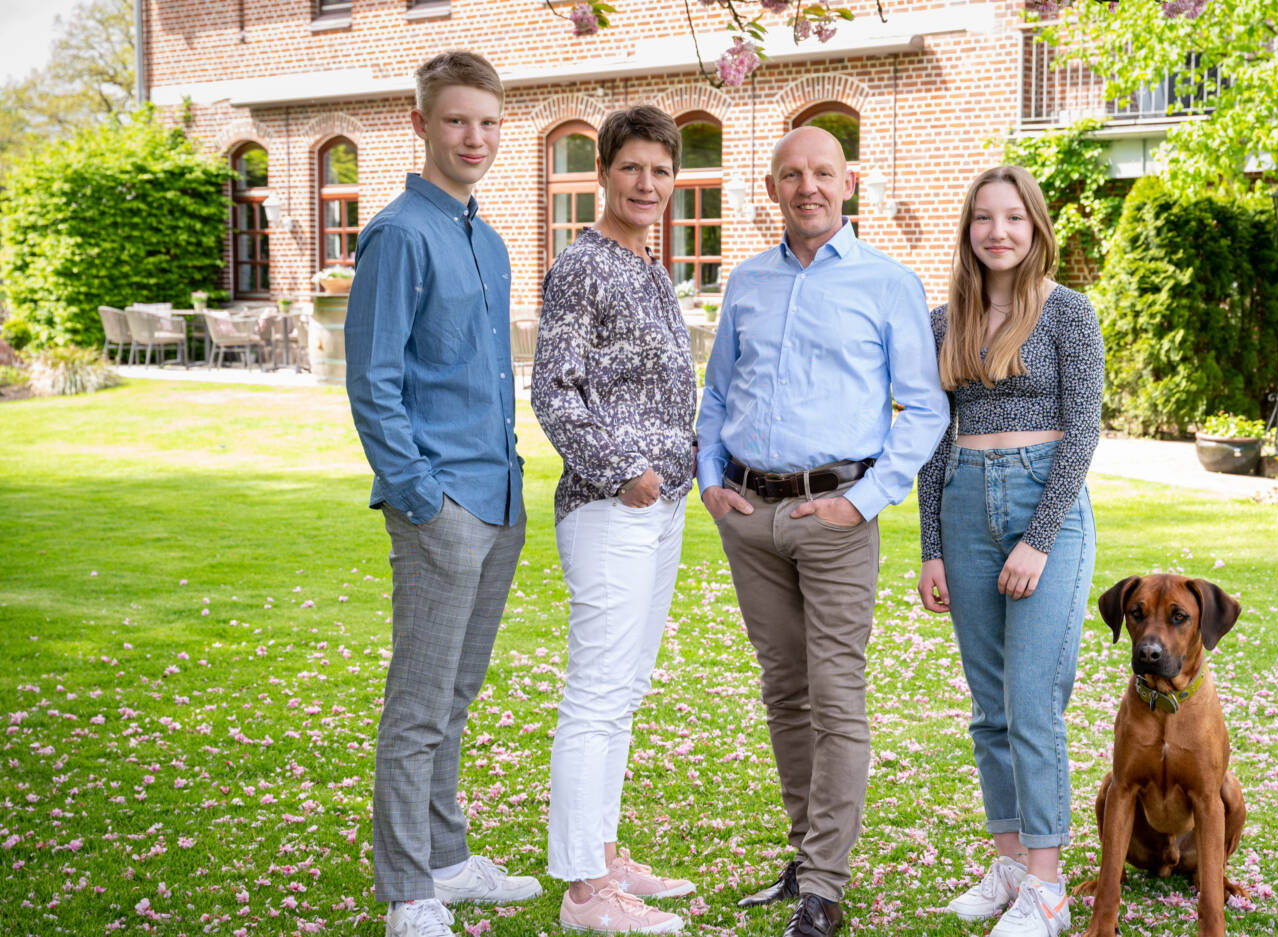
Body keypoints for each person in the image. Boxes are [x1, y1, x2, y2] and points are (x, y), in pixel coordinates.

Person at [695, 125, 949, 937]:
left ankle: (824, 887)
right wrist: (709, 480)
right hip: (749, 514)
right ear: (771, 188)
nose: (808, 186)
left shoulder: (887, 282)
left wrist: (864, 501)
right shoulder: (746, 281)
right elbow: (716, 393)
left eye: (823, 174)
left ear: (849, 184)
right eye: (791, 175)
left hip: (837, 516)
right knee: (784, 691)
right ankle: (807, 855)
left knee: (837, 696)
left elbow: (927, 407)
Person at [345, 51, 540, 937]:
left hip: (499, 500)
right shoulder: (398, 233)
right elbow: (374, 383)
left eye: (490, 122)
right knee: (419, 704)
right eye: (459, 120)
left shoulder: (488, 239)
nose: (476, 138)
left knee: (457, 696)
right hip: (442, 506)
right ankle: (407, 890)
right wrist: (420, 495)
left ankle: (448, 858)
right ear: (420, 121)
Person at [915, 165, 1103, 937]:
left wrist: (1037, 537)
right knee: (990, 709)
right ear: (968, 230)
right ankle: (1009, 867)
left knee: (1032, 703)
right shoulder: (943, 323)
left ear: (1036, 229)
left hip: (1042, 504)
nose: (999, 232)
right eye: (984, 219)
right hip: (962, 502)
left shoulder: (1068, 314)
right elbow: (931, 438)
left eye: (1015, 219)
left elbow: (1083, 433)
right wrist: (931, 547)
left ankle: (1049, 890)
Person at [532, 105, 698, 936]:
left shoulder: (649, 265)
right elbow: (553, 389)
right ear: (604, 172)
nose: (648, 184)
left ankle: (602, 848)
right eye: (632, 168)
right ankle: (584, 890)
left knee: (624, 689)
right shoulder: (584, 265)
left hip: (659, 507)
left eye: (662, 171)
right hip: (609, 506)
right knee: (596, 694)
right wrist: (623, 470)